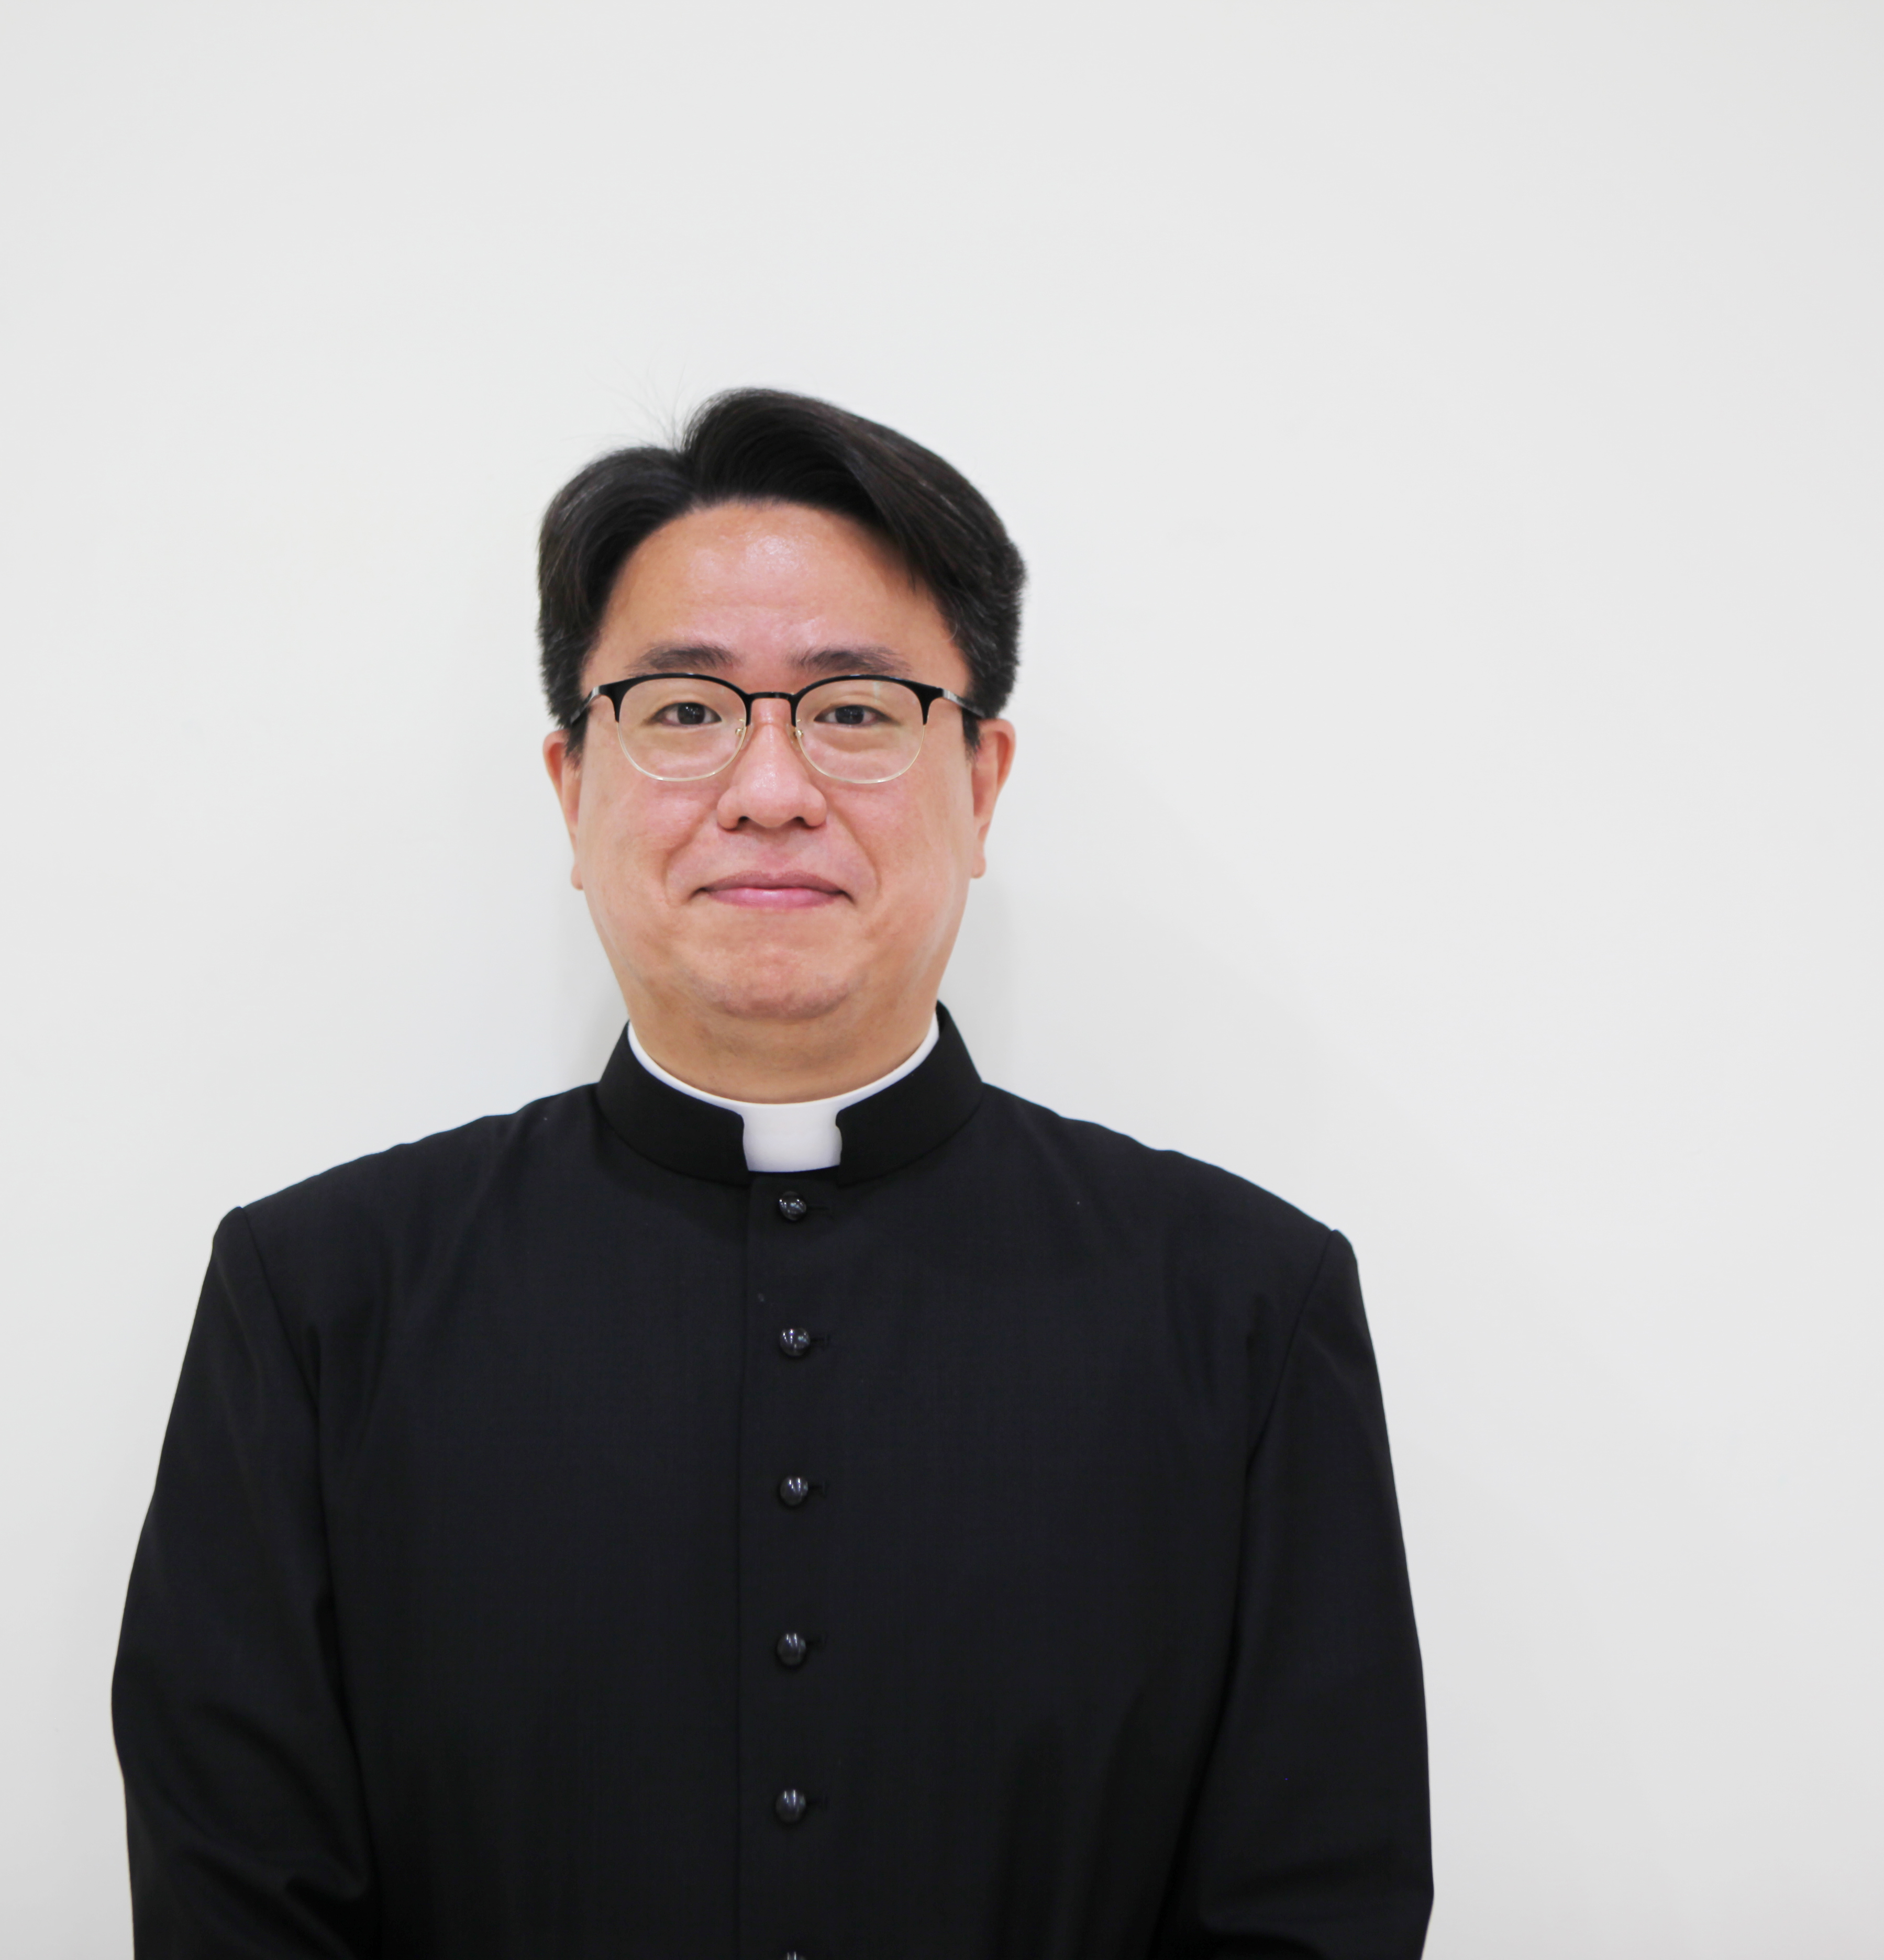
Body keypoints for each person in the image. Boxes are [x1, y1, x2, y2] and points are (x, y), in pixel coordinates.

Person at [111, 389, 1432, 1959]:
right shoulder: (322, 1306)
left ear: (982, 784)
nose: (770, 787)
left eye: (855, 710)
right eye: (684, 711)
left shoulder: (1244, 1313)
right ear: (572, 790)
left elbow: (1313, 1911)